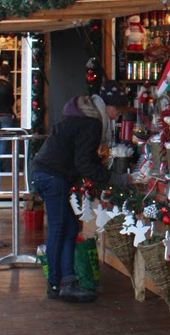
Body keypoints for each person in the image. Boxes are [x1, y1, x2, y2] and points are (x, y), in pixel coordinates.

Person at [31, 81, 125, 303]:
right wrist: (113, 178)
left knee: (68, 227)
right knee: (59, 229)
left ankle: (66, 281)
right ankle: (56, 284)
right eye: (117, 110)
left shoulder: (84, 114)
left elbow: (80, 156)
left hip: (46, 173)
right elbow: (83, 162)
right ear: (108, 106)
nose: (116, 116)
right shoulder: (91, 122)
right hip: (53, 176)